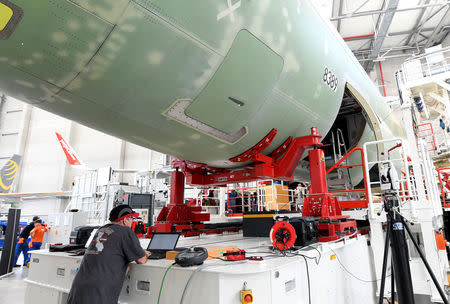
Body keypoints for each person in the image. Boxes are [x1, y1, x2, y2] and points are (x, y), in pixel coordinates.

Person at [67, 205, 151, 304]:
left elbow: (111, 254)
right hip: (98, 295)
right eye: (131, 218)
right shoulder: (125, 231)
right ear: (125, 220)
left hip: (78, 290)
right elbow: (141, 260)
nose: (132, 222)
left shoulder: (101, 230)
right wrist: (145, 254)